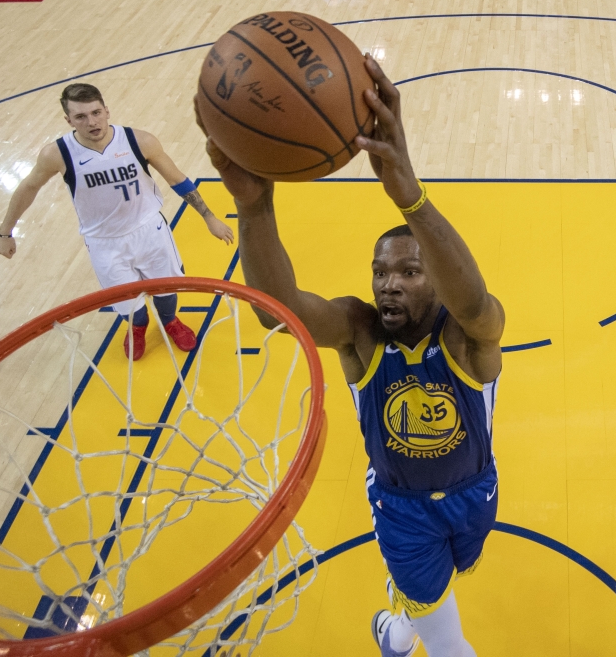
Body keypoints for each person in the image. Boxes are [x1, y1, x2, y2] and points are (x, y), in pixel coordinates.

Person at [199, 55, 504, 657]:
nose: (389, 283)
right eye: (380, 272)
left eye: (410, 272)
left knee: (433, 598)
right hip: (402, 512)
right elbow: (274, 309)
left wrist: (411, 197)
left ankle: (393, 631)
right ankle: (410, 625)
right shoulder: (360, 334)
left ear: (435, 281)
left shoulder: (468, 338)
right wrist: (254, 205)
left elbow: (475, 301)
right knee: (450, 644)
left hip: (476, 493)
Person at [0, 83, 235, 360]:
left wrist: (209, 217)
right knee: (128, 303)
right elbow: (28, 188)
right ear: (68, 120)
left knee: (167, 289)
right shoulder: (58, 154)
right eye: (81, 117)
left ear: (107, 110)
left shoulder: (139, 141)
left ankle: (170, 321)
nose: (92, 122)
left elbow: (177, 179)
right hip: (104, 242)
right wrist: (5, 233)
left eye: (96, 112)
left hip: (149, 231)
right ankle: (138, 327)